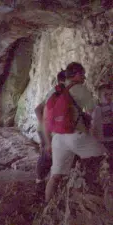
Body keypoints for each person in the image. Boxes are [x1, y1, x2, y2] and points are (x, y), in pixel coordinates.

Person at [44, 62, 106, 203]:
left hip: (58, 138)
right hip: (75, 135)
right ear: (77, 74)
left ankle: (47, 208)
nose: (84, 77)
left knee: (55, 176)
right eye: (83, 74)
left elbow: (47, 118)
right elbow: (93, 111)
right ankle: (96, 195)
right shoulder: (80, 89)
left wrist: (47, 142)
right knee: (104, 157)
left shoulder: (54, 91)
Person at [35, 70, 66, 193]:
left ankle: (42, 182)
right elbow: (38, 109)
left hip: (46, 128)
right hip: (46, 129)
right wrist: (44, 123)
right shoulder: (57, 92)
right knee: (47, 155)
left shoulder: (58, 91)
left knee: (47, 154)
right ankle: (40, 183)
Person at [91, 83, 113, 169]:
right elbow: (94, 126)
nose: (109, 96)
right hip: (105, 139)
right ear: (99, 97)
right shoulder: (98, 109)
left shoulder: (112, 105)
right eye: (106, 95)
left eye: (111, 94)